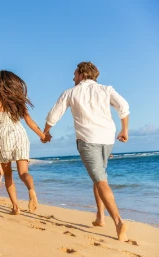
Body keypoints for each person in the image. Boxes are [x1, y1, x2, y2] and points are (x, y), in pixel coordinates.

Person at [42, 62, 129, 241]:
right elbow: (123, 106)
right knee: (98, 177)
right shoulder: (106, 89)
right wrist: (124, 130)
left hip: (88, 141)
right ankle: (100, 217)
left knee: (100, 179)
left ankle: (119, 222)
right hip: (107, 139)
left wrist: (46, 132)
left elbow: (54, 114)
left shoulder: (71, 92)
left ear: (82, 74)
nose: (73, 77)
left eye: (74, 73)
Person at [0, 70, 51, 215]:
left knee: (8, 175)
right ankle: (31, 190)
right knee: (23, 172)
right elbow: (29, 121)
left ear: (0, 85)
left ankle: (15, 207)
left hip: (3, 136)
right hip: (20, 134)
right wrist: (42, 135)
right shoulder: (19, 101)